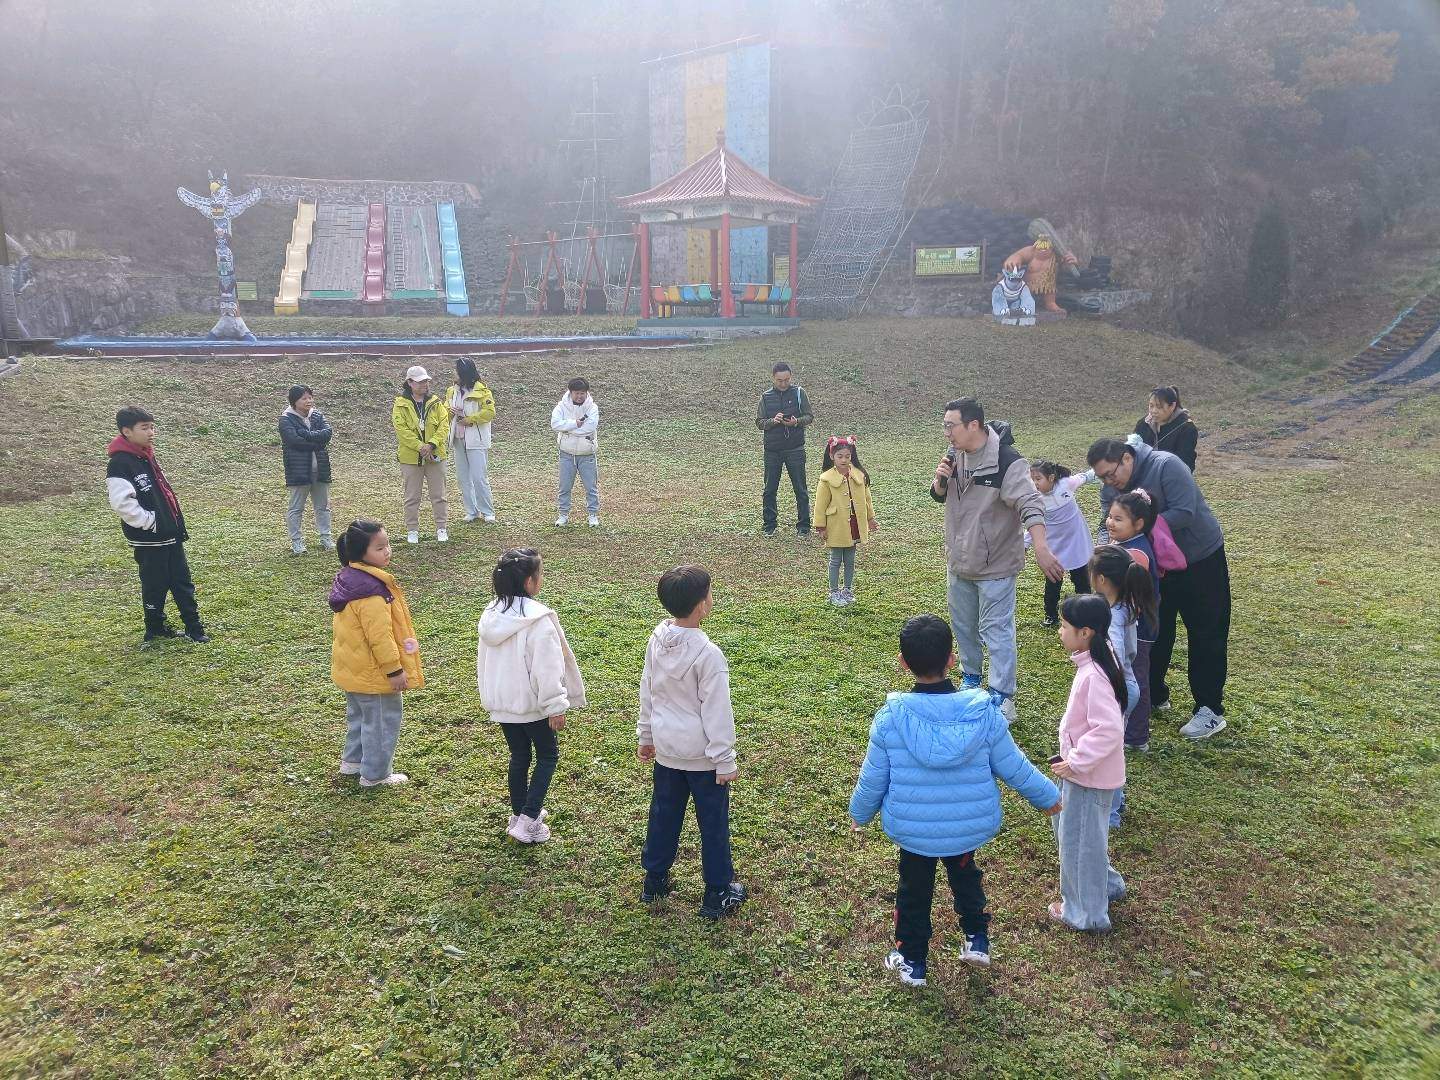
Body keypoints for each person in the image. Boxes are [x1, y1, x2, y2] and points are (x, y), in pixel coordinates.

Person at [849, 615, 1061, 987]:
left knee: (913, 891)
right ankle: (977, 939)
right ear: (952, 658)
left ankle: (913, 962)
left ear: (903, 662)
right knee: (965, 875)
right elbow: (1014, 767)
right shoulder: (983, 714)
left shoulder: (889, 720)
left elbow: (872, 779)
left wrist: (860, 814)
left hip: (915, 833)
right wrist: (1049, 798)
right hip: (965, 828)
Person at [931, 397, 1063, 722]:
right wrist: (939, 480)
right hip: (960, 561)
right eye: (945, 426)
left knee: (997, 630)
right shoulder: (956, 455)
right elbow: (939, 494)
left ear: (973, 425)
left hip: (996, 565)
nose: (946, 433)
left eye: (951, 426)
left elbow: (1030, 503)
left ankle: (1003, 696)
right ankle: (971, 679)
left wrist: (1042, 547)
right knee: (963, 627)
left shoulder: (1007, 461)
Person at [1087, 436, 1229, 739]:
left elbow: (1185, 511)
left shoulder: (1166, 466)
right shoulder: (1111, 488)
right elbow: (1105, 523)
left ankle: (1210, 709)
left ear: (1127, 458)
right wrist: (1103, 551)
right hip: (1150, 569)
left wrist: (1137, 526)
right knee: (1152, 632)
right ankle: (1154, 696)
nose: (1109, 482)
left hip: (1198, 559)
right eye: (1102, 478)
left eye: (1111, 473)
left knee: (1206, 631)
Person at [638, 565, 746, 921]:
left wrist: (647, 735)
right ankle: (717, 892)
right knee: (712, 824)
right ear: (702, 605)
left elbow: (648, 691)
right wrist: (724, 760)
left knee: (663, 815)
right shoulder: (708, 655)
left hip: (667, 752)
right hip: (702, 760)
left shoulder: (656, 641)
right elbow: (717, 712)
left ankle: (655, 880)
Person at [477, 548, 587, 845]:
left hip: (504, 705)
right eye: (539, 575)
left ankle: (519, 814)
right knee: (548, 755)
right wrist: (556, 705)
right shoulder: (538, 621)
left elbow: (485, 661)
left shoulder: (491, 614)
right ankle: (528, 819)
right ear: (529, 582)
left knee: (520, 756)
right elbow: (547, 668)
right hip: (534, 705)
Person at [1048, 594, 1127, 932]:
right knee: (1082, 836)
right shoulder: (1098, 659)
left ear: (1086, 633)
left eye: (1065, 627)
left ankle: (1086, 914)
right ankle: (1107, 885)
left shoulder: (1095, 675)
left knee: (1079, 842)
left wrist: (1077, 762)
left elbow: (1108, 728)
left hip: (1087, 776)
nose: (1061, 632)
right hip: (1087, 774)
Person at [329, 519, 423, 787]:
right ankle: (376, 774)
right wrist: (394, 670)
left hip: (354, 670)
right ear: (360, 553)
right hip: (375, 674)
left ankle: (353, 761)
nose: (387, 551)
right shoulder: (371, 592)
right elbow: (380, 638)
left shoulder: (349, 579)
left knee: (360, 717)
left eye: (388, 545)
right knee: (382, 722)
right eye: (380, 548)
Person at [105, 406, 208, 644]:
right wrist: (151, 523)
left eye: (152, 427)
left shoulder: (146, 454)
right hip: (150, 538)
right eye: (144, 428)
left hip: (170, 534)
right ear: (126, 431)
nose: (151, 432)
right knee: (154, 584)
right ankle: (155, 628)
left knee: (182, 581)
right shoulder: (120, 463)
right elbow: (123, 504)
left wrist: (169, 521)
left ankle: (194, 627)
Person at [1088, 544, 1157, 829]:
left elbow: (1114, 652)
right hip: (1128, 687)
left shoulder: (1112, 617)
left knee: (1107, 754)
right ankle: (1118, 802)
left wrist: (1100, 678)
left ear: (1101, 580)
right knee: (1113, 749)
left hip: (1116, 691)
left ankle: (1111, 813)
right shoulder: (1127, 606)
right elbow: (1129, 653)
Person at [1104, 490, 1162, 752]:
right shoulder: (1127, 544)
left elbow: (1126, 596)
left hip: (1137, 628)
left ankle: (1136, 737)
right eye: (1110, 516)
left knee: (1135, 679)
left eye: (1119, 519)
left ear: (1138, 524)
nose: (1110, 522)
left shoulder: (1136, 554)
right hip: (1129, 623)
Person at [812, 435, 878, 607]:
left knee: (850, 559)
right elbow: (820, 504)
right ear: (832, 456)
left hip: (854, 524)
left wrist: (870, 518)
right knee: (835, 559)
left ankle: (847, 589)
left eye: (847, 456)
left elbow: (867, 499)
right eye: (840, 456)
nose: (844, 460)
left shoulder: (859, 476)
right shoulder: (826, 479)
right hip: (836, 525)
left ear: (852, 457)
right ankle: (834, 591)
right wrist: (821, 526)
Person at [1027, 461, 1093, 626]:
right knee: (1053, 582)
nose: (1035, 483)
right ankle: (1051, 615)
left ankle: (1086, 612)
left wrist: (1102, 470)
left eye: (1038, 478)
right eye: (1032, 479)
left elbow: (1085, 476)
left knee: (1082, 581)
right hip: (1055, 547)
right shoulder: (1037, 499)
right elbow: (1034, 525)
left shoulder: (1066, 484)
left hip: (1075, 542)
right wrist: (1024, 544)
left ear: (1051, 478)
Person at [391, 365, 450, 544]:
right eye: (420, 381)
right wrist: (420, 447)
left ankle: (441, 528)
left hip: (435, 455)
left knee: (439, 495)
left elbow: (444, 425)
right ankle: (412, 530)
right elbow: (402, 430)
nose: (425, 384)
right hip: (410, 458)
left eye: (426, 381)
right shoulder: (400, 404)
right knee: (412, 496)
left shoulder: (436, 402)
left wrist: (431, 444)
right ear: (409, 383)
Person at [757, 362, 814, 536]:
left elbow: (809, 416)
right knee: (769, 490)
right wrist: (773, 421)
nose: (783, 383)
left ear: (791, 377)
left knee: (800, 489)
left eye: (787, 380)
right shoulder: (766, 397)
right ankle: (769, 525)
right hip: (772, 450)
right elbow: (759, 422)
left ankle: (804, 526)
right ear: (773, 378)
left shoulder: (799, 393)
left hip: (795, 449)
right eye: (780, 380)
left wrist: (796, 421)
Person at [279, 384, 334, 554]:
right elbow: (294, 441)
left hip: (320, 469)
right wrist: (316, 441)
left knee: (323, 506)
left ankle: (326, 537)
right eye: (304, 398)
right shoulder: (286, 419)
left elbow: (327, 433)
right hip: (299, 470)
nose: (308, 401)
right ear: (295, 401)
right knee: (296, 508)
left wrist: (308, 435)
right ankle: (296, 542)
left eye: (310, 397)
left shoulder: (317, 415)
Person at [446, 357, 497, 524]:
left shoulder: (483, 391)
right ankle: (471, 511)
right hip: (458, 438)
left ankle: (487, 511)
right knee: (463, 477)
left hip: (476, 438)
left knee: (479, 477)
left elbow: (489, 412)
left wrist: (471, 419)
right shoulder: (452, 391)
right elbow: (444, 410)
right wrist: (449, 411)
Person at [550, 377, 600, 527]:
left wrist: (568, 429)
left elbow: (590, 427)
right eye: (576, 393)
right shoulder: (561, 407)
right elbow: (555, 424)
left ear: (587, 393)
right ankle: (563, 515)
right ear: (570, 393)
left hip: (587, 453)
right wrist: (574, 424)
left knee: (591, 486)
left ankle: (593, 515)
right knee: (564, 486)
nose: (579, 396)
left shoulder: (592, 407)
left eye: (582, 393)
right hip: (566, 453)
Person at [1134, 386, 1199, 472]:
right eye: (1151, 406)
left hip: (1173, 476)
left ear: (1172, 406)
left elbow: (1184, 463)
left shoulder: (1186, 428)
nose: (1153, 411)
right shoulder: (1144, 423)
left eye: (1159, 407)